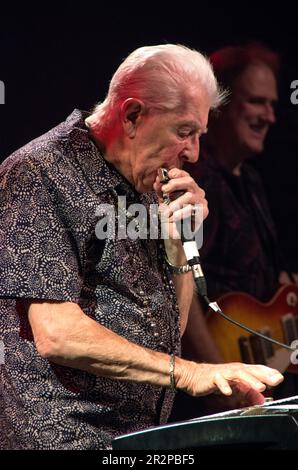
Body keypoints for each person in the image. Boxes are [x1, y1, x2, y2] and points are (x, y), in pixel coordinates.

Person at [0, 44, 284, 450]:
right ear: (132, 115)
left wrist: (178, 247)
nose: (194, 153)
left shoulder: (150, 181)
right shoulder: (39, 173)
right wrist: (191, 374)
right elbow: (56, 333)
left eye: (200, 135)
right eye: (184, 132)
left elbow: (170, 330)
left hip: (141, 437)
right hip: (64, 436)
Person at [170, 44, 297, 422]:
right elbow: (180, 281)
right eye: (257, 102)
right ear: (220, 105)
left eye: (273, 104)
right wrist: (214, 372)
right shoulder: (196, 180)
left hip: (260, 359)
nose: (270, 116)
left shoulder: (252, 180)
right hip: (215, 375)